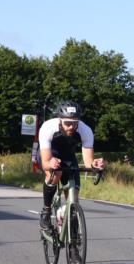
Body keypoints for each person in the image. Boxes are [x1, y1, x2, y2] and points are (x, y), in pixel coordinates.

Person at [38, 101, 105, 237]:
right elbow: (45, 162)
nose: (71, 127)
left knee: (73, 201)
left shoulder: (85, 130)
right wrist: (50, 163)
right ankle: (46, 211)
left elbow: (88, 162)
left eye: (75, 123)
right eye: (67, 123)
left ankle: (74, 246)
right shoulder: (48, 127)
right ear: (60, 120)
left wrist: (95, 165)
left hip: (68, 157)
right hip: (50, 154)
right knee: (56, 174)